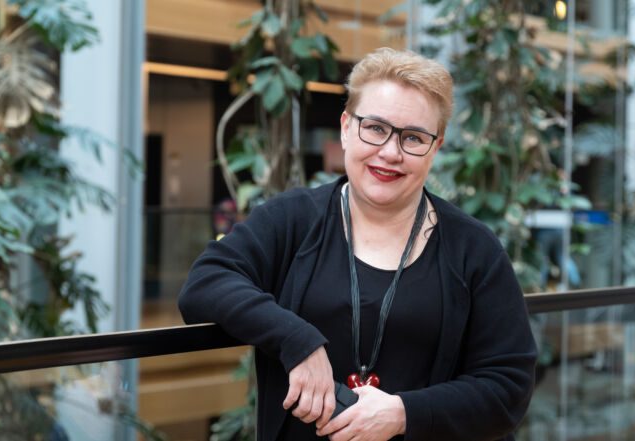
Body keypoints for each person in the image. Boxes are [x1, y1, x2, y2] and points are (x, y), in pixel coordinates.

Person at [178, 47, 537, 441]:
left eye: (413, 137)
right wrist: (296, 340)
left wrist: (404, 413)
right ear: (346, 127)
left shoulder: (474, 249)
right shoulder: (293, 219)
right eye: (376, 128)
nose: (390, 153)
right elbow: (206, 282)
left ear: (435, 148)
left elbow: (509, 387)